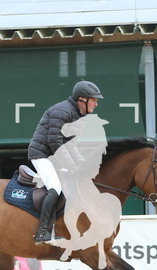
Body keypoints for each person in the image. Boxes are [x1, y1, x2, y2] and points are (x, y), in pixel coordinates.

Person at [27, 80, 103, 245]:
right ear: (82, 99)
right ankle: (42, 232)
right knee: (55, 188)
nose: (96, 104)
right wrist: (71, 165)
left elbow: (71, 144)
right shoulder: (62, 111)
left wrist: (80, 163)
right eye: (94, 100)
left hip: (53, 156)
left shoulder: (78, 116)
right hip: (41, 155)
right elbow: (55, 142)